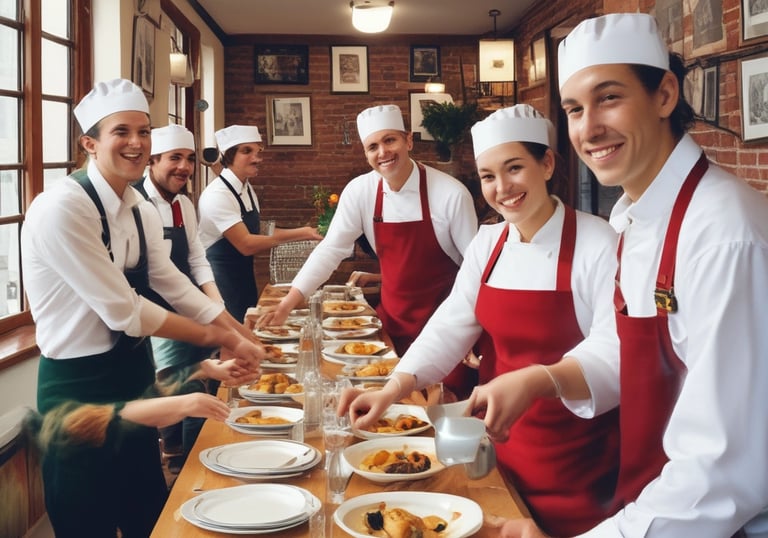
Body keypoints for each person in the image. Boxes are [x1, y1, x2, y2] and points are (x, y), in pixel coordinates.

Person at [500, 13, 768, 537]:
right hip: (656, 505)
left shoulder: (724, 235)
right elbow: (628, 346)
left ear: (665, 95)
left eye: (609, 98)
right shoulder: (638, 219)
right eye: (575, 109)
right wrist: (540, 381)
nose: (588, 128)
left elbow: (720, 472)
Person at [339, 104, 621, 536]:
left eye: (514, 169)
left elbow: (616, 353)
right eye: (489, 176)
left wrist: (535, 380)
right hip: (494, 445)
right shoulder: (488, 243)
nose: (502, 188)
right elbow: (450, 325)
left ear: (546, 164)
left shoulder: (598, 242)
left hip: (574, 458)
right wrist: (393, 388)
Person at [21, 79, 265, 537]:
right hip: (77, 388)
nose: (136, 143)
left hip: (132, 372)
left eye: (144, 131)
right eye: (122, 132)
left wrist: (234, 329)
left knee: (146, 516)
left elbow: (170, 280)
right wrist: (219, 338)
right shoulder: (61, 208)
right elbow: (125, 312)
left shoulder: (136, 207)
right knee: (86, 522)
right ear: (89, 143)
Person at [262, 104, 479, 394]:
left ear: (409, 140)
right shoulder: (361, 191)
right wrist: (289, 302)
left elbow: (478, 271)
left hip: (446, 329)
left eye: (390, 140)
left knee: (443, 413)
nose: (383, 153)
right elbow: (331, 249)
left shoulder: (450, 194)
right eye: (372, 146)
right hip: (390, 327)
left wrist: (471, 334)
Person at [135, 124, 224, 471]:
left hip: (193, 309)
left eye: (189, 159)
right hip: (158, 316)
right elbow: (159, 275)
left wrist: (217, 306)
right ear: (153, 160)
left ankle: (195, 460)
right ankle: (180, 465)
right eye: (175, 158)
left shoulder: (184, 204)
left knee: (200, 383)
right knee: (175, 389)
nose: (184, 168)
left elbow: (196, 259)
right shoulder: (139, 205)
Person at [197, 124, 322, 322]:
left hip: (243, 276)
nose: (257, 158)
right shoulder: (217, 195)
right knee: (229, 340)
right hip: (219, 283)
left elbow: (262, 231)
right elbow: (246, 244)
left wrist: (308, 231)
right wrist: (303, 233)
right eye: (247, 151)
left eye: (258, 151)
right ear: (229, 156)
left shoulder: (246, 188)